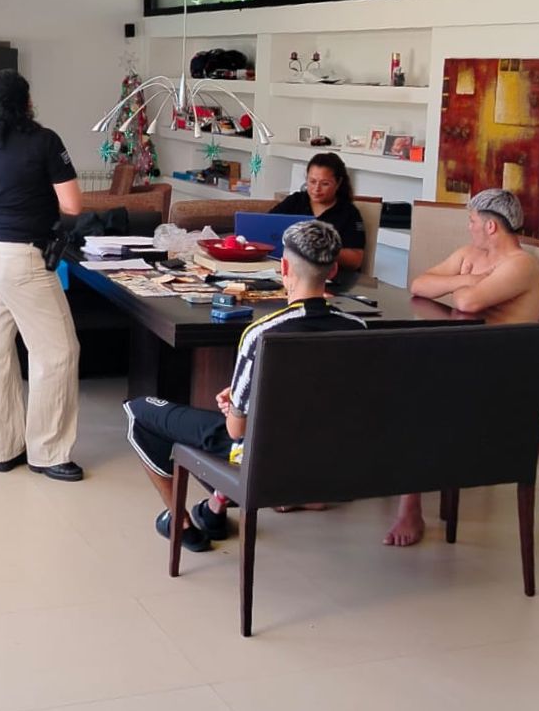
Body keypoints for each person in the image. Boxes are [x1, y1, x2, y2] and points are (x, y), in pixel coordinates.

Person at [122, 220, 364, 550]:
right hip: (329, 460)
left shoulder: (263, 333)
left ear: (284, 267)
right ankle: (213, 510)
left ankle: (180, 522)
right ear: (333, 270)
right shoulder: (358, 327)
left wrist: (237, 405)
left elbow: (236, 430)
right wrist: (242, 396)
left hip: (264, 458)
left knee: (141, 412)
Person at [388, 187, 539, 546]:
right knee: (387, 380)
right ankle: (344, 482)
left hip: (499, 373)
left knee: (412, 398)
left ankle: (409, 507)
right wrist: (465, 279)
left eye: (472, 221)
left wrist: (460, 288)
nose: (469, 227)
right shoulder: (470, 255)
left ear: (491, 227)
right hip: (462, 357)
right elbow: (419, 284)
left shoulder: (520, 265)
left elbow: (469, 303)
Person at [0, 68, 86, 481]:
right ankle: (47, 452)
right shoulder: (45, 141)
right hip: (20, 258)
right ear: (28, 102)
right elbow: (73, 205)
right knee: (57, 352)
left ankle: (4, 448)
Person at [267, 152, 366, 273]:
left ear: (338, 183)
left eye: (325, 184)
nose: (316, 189)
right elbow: (267, 224)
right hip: (290, 271)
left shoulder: (349, 212)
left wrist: (320, 251)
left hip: (330, 275)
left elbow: (356, 260)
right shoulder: (295, 201)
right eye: (312, 181)